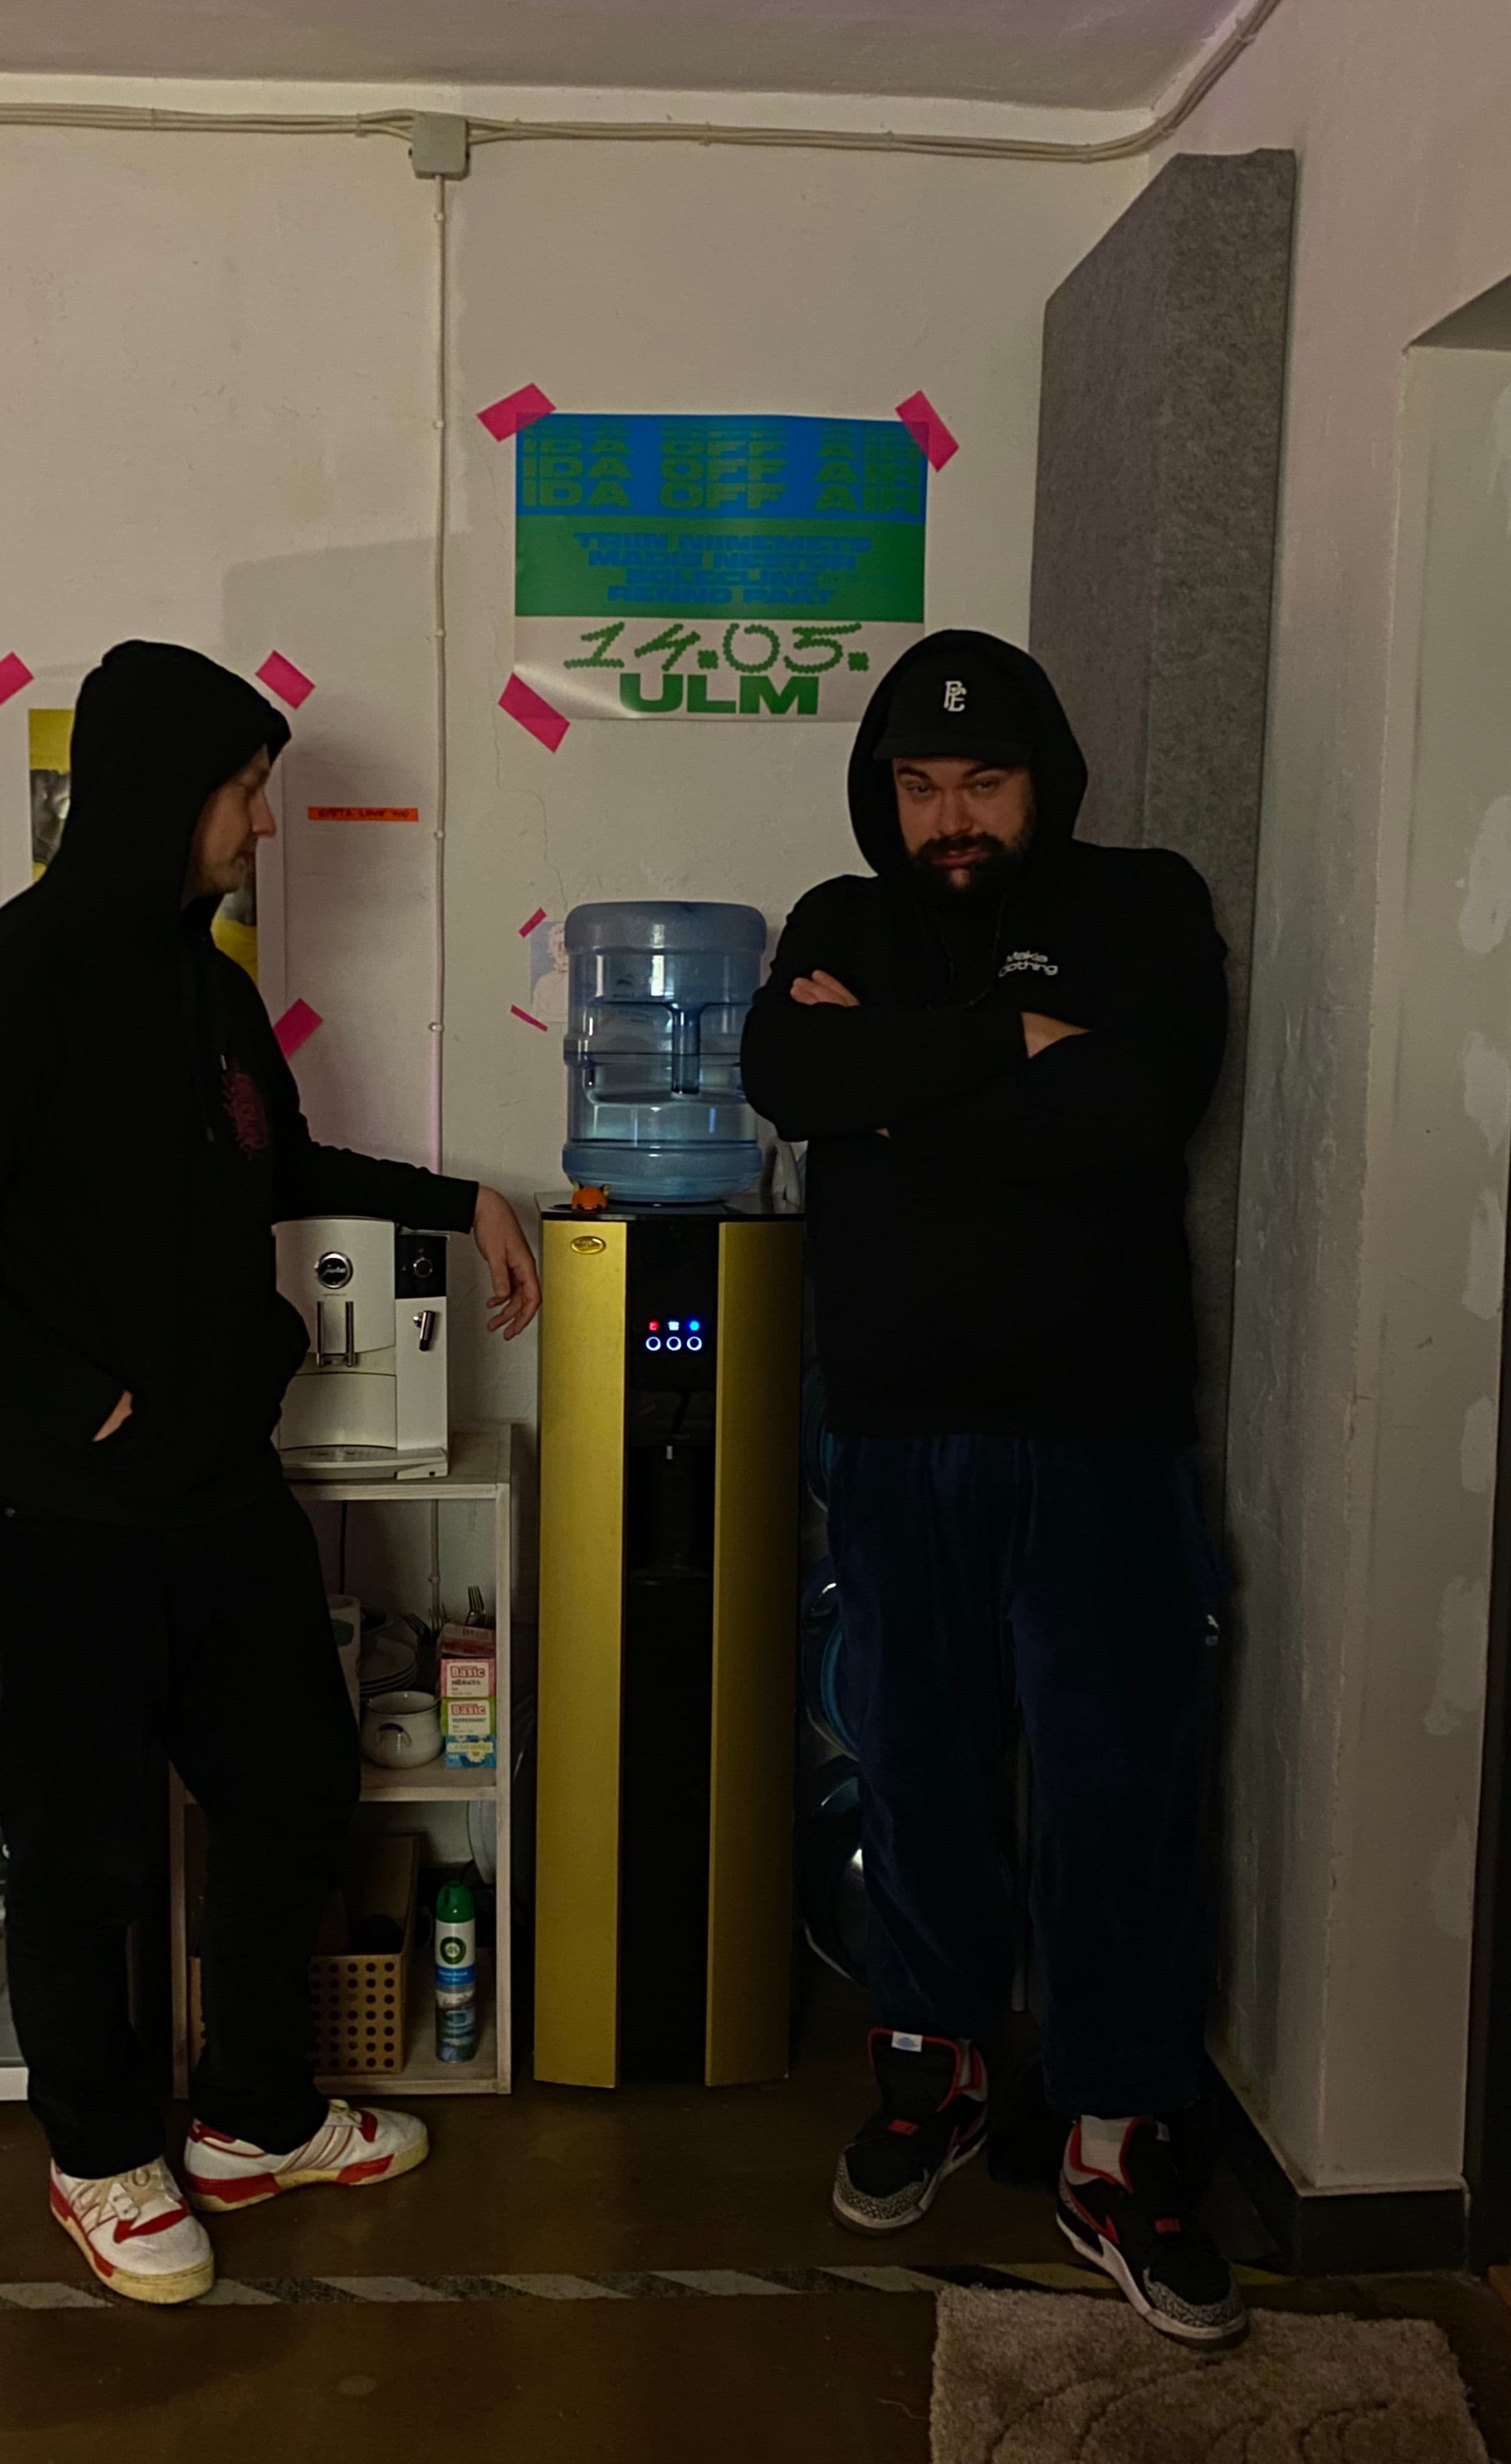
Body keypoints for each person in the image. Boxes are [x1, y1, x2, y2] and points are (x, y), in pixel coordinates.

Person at [0, 640, 540, 2307]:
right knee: (86, 1855)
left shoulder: (205, 987)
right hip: (66, 1512)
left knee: (293, 1794)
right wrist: (82, 1403)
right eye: (244, 792)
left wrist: (457, 1203)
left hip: (223, 1496)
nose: (264, 826)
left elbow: (269, 1159)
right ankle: (99, 2157)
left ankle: (254, 2116)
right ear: (164, 793)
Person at [741, 631, 1240, 2348]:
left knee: (1119, 1792)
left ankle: (1119, 2139)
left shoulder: (1144, 906)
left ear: (1046, 781)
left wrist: (898, 1086)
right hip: (896, 1437)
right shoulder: (840, 918)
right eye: (920, 785)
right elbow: (789, 1078)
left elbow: (1136, 1103)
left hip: (1104, 1437)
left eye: (984, 781)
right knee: (920, 1767)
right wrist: (1009, 1042)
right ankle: (933, 2066)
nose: (951, 816)